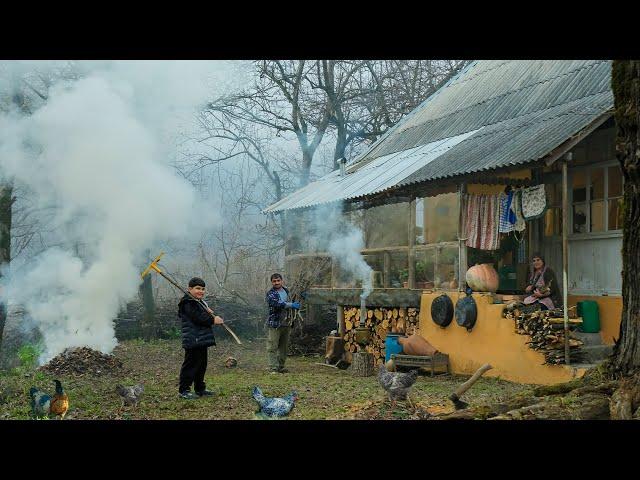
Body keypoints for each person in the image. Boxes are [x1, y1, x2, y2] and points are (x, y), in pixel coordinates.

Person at [178, 277, 224, 399]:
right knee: (191, 365)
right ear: (190, 289)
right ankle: (184, 390)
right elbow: (198, 318)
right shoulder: (187, 303)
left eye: (203, 289)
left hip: (201, 339)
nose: (201, 291)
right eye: (198, 288)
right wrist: (213, 319)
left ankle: (200, 389)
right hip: (193, 339)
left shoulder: (198, 302)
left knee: (201, 365)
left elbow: (201, 314)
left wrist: (206, 310)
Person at [265, 273, 300, 374]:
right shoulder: (270, 293)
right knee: (272, 346)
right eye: (274, 281)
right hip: (275, 324)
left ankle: (281, 366)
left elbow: (293, 298)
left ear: (282, 281)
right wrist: (291, 305)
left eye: (278, 280)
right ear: (272, 282)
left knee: (283, 347)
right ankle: (273, 367)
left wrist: (300, 297)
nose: (276, 283)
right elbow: (276, 304)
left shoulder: (287, 291)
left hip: (286, 323)